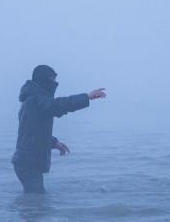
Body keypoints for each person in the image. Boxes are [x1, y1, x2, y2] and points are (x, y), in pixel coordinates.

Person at [11, 65, 106, 193]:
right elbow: (57, 106)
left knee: (34, 202)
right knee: (36, 205)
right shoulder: (37, 99)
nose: (55, 83)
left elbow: (33, 131)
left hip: (26, 161)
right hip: (28, 163)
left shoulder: (33, 99)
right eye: (52, 79)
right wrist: (86, 97)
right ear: (44, 80)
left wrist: (53, 143)